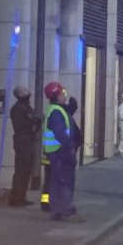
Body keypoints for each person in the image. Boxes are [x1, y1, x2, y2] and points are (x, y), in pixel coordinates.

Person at [43, 81, 83, 222]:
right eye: (62, 93)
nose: (64, 96)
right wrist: (70, 146)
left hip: (57, 152)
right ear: (57, 95)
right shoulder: (56, 112)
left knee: (56, 182)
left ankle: (57, 211)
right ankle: (66, 211)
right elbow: (60, 132)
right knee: (65, 182)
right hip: (61, 152)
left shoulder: (56, 109)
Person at [8, 86, 39, 206]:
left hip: (29, 139)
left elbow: (34, 121)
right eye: (26, 94)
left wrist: (36, 123)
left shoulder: (27, 107)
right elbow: (22, 125)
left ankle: (21, 196)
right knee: (21, 169)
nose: (28, 96)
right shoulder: (17, 109)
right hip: (22, 141)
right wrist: (33, 122)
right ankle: (16, 197)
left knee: (26, 170)